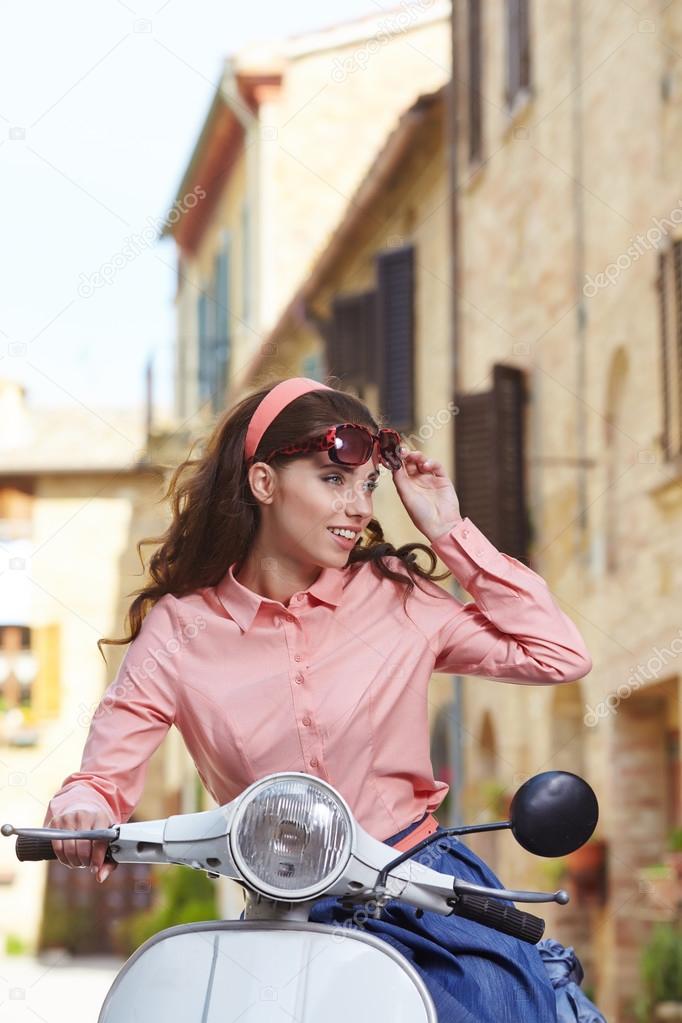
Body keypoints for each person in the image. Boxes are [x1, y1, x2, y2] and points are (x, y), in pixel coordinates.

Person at [44, 376, 605, 1022]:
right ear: (264, 483)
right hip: (283, 908)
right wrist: (83, 810)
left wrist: (450, 528)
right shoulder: (182, 628)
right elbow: (100, 778)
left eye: (368, 485)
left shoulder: (394, 595)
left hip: (424, 890)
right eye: (334, 480)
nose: (360, 506)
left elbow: (559, 653)